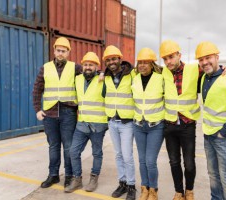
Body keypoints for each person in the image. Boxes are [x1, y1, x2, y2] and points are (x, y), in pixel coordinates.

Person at [159, 40, 226, 200]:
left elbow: (211, 69)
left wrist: (224, 69)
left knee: (189, 163)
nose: (168, 62)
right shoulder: (162, 72)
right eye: (164, 59)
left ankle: (190, 191)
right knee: (173, 162)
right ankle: (179, 192)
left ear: (179, 55)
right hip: (169, 125)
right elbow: (140, 71)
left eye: (171, 57)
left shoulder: (194, 69)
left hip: (187, 124)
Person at [195, 41, 226, 200]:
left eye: (208, 58)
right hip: (209, 135)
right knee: (213, 175)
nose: (204, 62)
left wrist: (223, 133)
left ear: (217, 57)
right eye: (201, 59)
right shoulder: (204, 78)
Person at [33, 37, 80, 189]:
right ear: (54, 51)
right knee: (53, 146)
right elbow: (37, 89)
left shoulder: (75, 68)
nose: (60, 53)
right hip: (49, 115)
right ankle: (53, 175)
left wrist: (100, 74)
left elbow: (89, 74)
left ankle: (69, 176)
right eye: (58, 50)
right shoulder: (45, 68)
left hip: (68, 113)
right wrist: (37, 109)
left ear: (68, 52)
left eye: (64, 51)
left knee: (68, 146)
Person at [131, 48, 176, 200]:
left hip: (155, 126)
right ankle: (144, 188)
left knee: (150, 161)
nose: (142, 65)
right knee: (142, 160)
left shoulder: (161, 77)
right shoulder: (134, 78)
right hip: (138, 125)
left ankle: (153, 190)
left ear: (152, 64)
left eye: (146, 62)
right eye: (140, 63)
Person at [64, 52, 108, 193]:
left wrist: (103, 73)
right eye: (86, 64)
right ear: (82, 66)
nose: (88, 67)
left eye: (91, 65)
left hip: (98, 125)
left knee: (97, 153)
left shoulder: (103, 79)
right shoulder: (77, 79)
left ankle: (94, 178)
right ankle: (77, 179)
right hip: (82, 123)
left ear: (97, 66)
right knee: (73, 151)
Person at [102, 45, 137, 200]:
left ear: (120, 59)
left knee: (127, 155)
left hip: (127, 122)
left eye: (114, 58)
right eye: (108, 60)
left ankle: (131, 186)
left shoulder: (132, 74)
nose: (111, 62)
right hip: (112, 121)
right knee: (118, 154)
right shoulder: (106, 76)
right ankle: (122, 182)